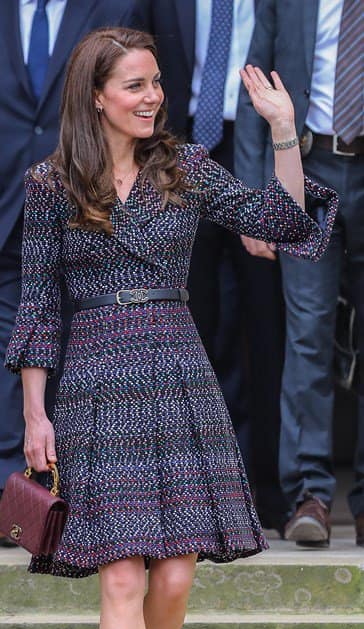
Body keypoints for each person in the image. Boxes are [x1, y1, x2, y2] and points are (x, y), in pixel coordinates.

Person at [5, 28, 336, 629]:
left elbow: (283, 223)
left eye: (156, 83)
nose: (152, 96)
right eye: (135, 86)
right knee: (121, 573)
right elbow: (38, 304)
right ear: (95, 97)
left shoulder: (183, 167)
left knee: (176, 574)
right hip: (93, 378)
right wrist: (32, 411)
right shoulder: (49, 183)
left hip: (177, 369)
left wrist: (283, 131)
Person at [0, 0, 136, 546]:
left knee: (72, 347)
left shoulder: (112, 8)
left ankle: (70, 491)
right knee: (3, 349)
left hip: (85, 206)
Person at [131, 0, 289, 536]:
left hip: (260, 152)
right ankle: (195, 492)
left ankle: (267, 491)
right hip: (176, 156)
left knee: (268, 332)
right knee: (190, 327)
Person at [235, 0, 364, 547]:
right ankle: (309, 495)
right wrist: (253, 200)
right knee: (307, 334)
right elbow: (253, 92)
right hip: (306, 173)